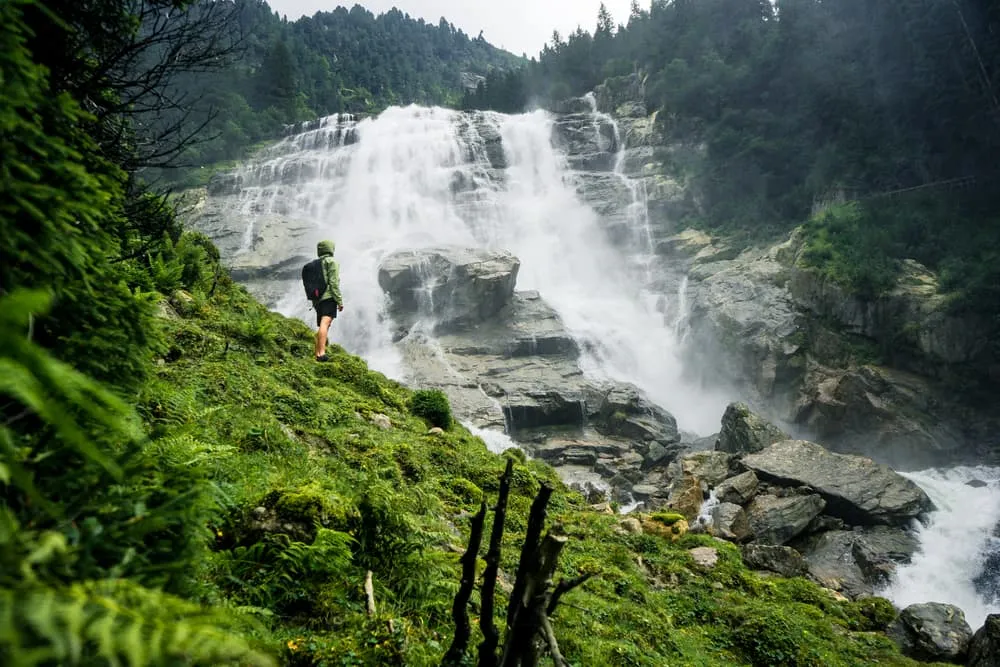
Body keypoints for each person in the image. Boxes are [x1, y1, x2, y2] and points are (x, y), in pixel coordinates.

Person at [311, 239, 343, 362]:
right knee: (325, 323)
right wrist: (339, 301)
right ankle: (322, 353)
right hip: (329, 297)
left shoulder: (316, 263)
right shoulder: (331, 262)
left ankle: (317, 353)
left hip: (317, 299)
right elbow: (333, 283)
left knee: (322, 326)